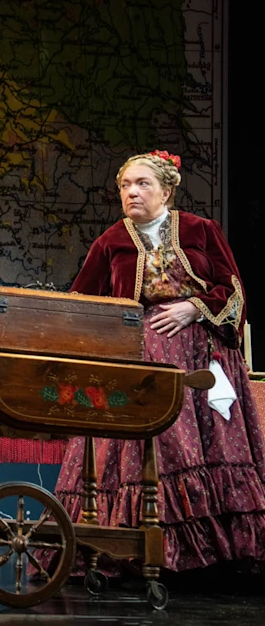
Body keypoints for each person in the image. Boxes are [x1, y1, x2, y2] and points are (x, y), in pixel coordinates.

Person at [51, 150, 265, 573]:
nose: (132, 192)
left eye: (142, 183)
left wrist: (194, 308)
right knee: (145, 448)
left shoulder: (201, 230)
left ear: (166, 190)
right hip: (139, 363)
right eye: (125, 185)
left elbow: (234, 290)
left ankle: (225, 555)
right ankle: (133, 547)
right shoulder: (110, 241)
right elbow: (82, 303)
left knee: (214, 444)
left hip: (202, 357)